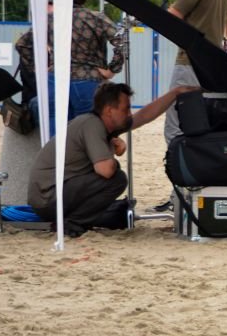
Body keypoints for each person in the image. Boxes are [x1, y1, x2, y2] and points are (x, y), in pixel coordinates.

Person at [27, 82, 196, 236]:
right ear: (109, 110)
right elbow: (105, 170)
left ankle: (73, 221)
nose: (129, 114)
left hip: (52, 194)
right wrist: (113, 153)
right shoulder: (92, 125)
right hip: (47, 198)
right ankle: (71, 224)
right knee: (117, 179)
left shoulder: (102, 125)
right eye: (125, 109)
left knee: (113, 178)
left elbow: (143, 117)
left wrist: (175, 93)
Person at [15, 0, 126, 133]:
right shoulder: (96, 18)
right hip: (88, 81)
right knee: (87, 135)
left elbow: (22, 44)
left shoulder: (50, 19)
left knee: (55, 141)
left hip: (55, 81)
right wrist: (111, 70)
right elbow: (121, 41)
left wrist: (39, 71)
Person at [164, 0, 227, 144]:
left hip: (190, 60)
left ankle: (179, 169)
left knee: (176, 122)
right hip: (212, 63)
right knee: (201, 121)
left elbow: (171, 18)